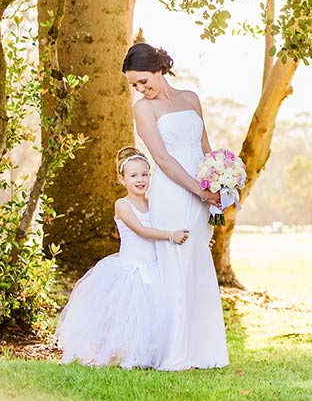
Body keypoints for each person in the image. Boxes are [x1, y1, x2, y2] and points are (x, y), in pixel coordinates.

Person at [122, 42, 229, 370]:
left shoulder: (190, 98)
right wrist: (200, 191)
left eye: (143, 81)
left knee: (198, 263)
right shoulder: (144, 109)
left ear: (159, 69)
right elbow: (163, 160)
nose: (141, 89)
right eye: (134, 85)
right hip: (173, 194)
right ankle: (174, 353)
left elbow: (206, 148)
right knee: (175, 267)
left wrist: (220, 183)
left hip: (203, 193)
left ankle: (204, 351)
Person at [54, 148, 189, 368]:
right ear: (122, 179)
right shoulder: (122, 205)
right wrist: (171, 236)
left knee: (154, 315)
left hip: (154, 268)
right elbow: (141, 231)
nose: (140, 180)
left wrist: (194, 241)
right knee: (125, 315)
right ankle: (119, 353)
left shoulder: (154, 203)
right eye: (133, 175)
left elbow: (172, 223)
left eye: (144, 174)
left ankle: (152, 354)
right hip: (129, 269)